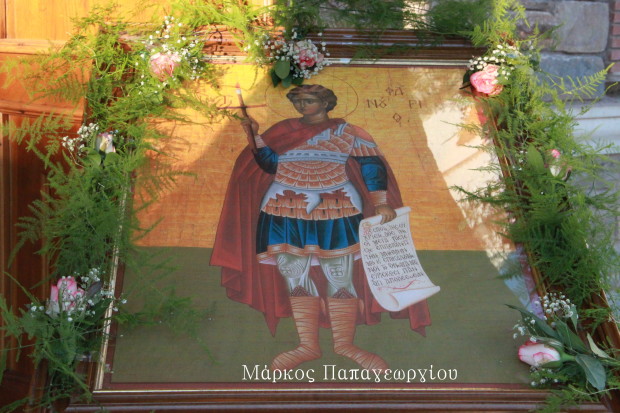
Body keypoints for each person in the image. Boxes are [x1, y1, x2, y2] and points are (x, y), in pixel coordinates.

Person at [211, 84, 431, 372]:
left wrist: (380, 202)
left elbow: (371, 166)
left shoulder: (350, 132)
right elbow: (270, 165)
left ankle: (345, 345)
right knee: (293, 274)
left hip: (336, 207)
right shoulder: (282, 131)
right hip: (283, 206)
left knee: (339, 275)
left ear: (326, 103)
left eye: (309, 100)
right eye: (298, 101)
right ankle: (307, 345)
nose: (302, 106)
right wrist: (255, 136)